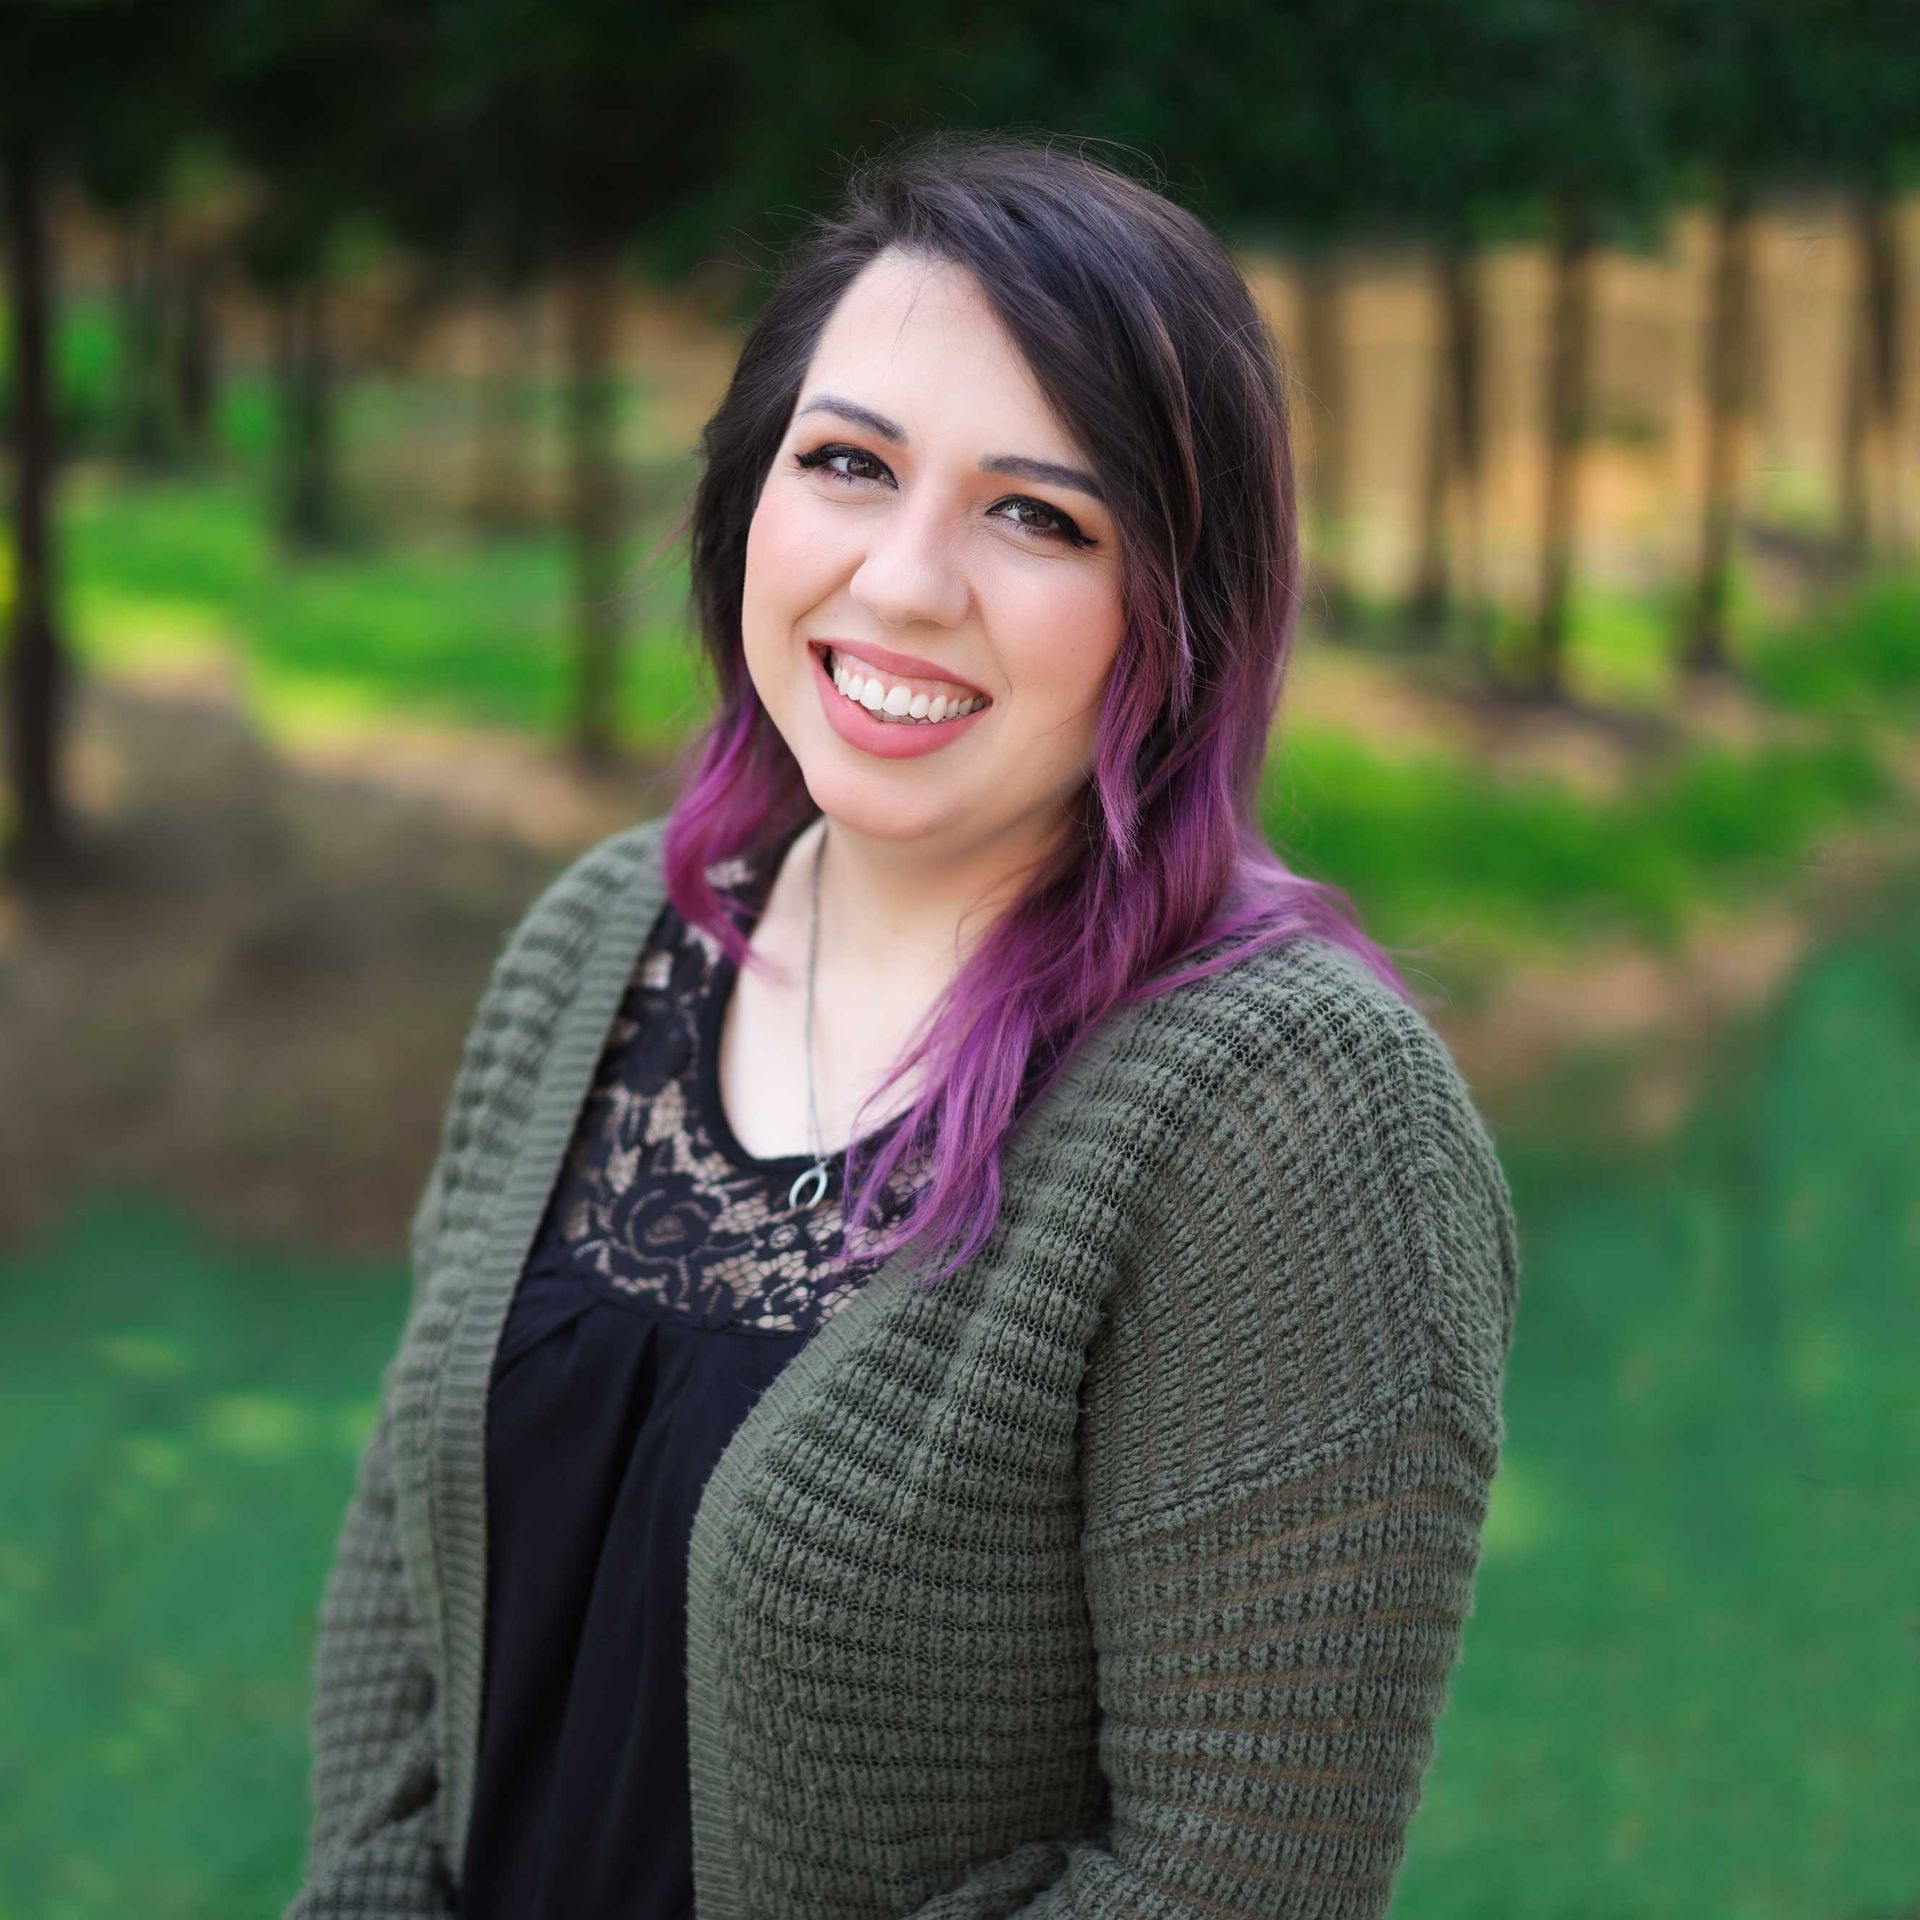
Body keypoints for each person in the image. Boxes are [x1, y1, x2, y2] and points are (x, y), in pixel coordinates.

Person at [282, 131, 1521, 1920]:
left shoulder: (1289, 1114)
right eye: (849, 464)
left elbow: (1222, 1883)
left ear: (1178, 615)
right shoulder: (601, 948)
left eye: (1039, 514)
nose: (907, 581)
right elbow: (405, 1591)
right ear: (748, 502)